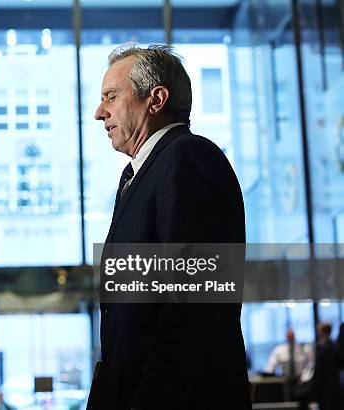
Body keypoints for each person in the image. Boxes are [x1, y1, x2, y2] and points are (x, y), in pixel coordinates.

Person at [88, 44, 250, 409]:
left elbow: (193, 307)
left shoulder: (189, 158)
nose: (100, 112)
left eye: (111, 97)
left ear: (156, 99)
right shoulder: (139, 173)